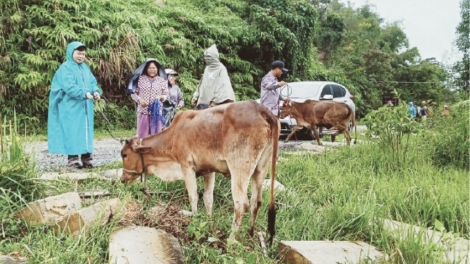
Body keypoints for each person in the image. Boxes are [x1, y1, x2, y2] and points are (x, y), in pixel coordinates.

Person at [47, 41, 102, 169]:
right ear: (71, 53)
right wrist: (84, 93)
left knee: (86, 131)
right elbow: (69, 87)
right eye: (78, 53)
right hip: (70, 107)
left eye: (83, 54)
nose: (81, 56)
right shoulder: (65, 68)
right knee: (72, 131)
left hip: (85, 107)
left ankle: (87, 159)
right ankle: (73, 161)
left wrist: (96, 92)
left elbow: (93, 82)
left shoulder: (85, 68)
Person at [130, 60, 168, 138]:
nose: (152, 70)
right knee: (142, 136)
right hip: (143, 111)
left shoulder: (162, 80)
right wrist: (139, 100)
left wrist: (161, 97)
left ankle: (155, 150)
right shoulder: (140, 79)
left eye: (154, 68)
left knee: (156, 137)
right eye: (150, 68)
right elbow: (133, 93)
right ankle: (142, 149)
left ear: (157, 69)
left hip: (156, 112)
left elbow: (166, 94)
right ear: (146, 69)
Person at [191, 44, 235, 110]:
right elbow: (202, 84)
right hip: (203, 103)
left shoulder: (221, 69)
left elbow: (223, 87)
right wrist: (196, 96)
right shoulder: (207, 68)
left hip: (214, 106)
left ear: (212, 57)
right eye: (205, 56)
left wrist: (216, 101)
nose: (205, 58)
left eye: (207, 57)